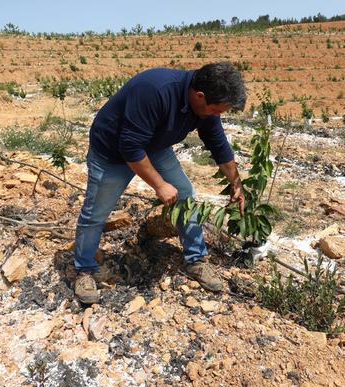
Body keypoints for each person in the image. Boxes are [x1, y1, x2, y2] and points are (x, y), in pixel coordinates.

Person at [73, 62, 247, 304]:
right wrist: (159, 185)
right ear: (200, 96)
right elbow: (130, 147)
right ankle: (84, 269)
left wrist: (236, 183)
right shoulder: (154, 90)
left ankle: (195, 260)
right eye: (216, 111)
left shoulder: (204, 106)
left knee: (185, 194)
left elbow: (218, 143)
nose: (216, 116)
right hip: (111, 153)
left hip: (154, 146)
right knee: (96, 213)